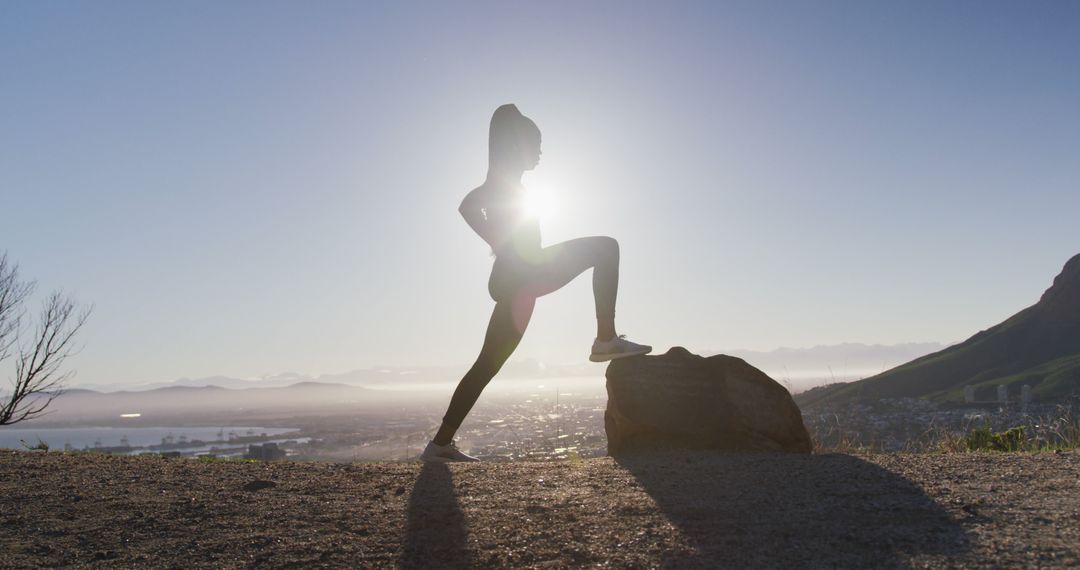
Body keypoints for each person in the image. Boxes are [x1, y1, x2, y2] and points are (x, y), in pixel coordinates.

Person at [421, 104, 651, 463]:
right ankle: (605, 339)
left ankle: (438, 446)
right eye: (536, 143)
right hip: (527, 273)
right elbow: (466, 205)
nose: (541, 152)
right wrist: (496, 241)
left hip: (519, 282)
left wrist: (498, 241)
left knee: (487, 365)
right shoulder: (502, 181)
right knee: (606, 248)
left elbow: (470, 206)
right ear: (519, 145)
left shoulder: (510, 181)